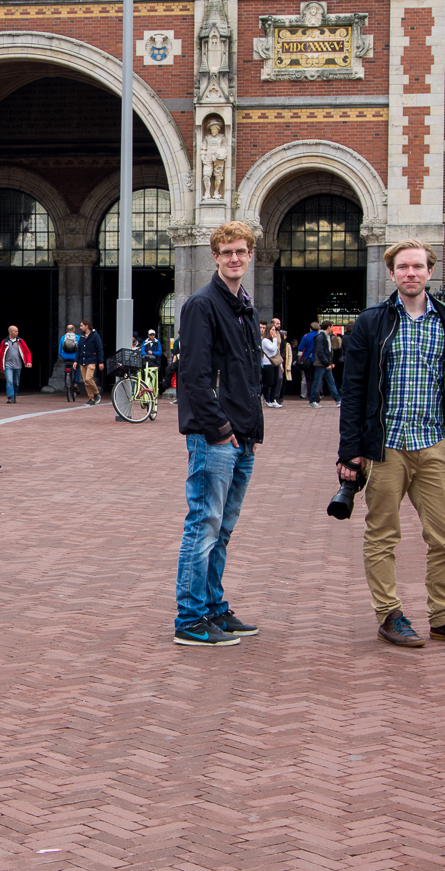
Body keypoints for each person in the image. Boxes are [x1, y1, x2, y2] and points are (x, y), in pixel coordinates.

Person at [338, 239, 445, 648]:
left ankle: (444, 616)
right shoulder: (371, 322)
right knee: (382, 534)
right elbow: (353, 389)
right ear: (391, 273)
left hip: (436, 444)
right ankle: (390, 615)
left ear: (429, 272)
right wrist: (349, 451)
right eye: (403, 267)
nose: (411, 273)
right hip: (385, 446)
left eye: (418, 266)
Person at [173, 220, 263, 647]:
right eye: (227, 252)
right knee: (203, 525)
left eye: (241, 251)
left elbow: (248, 376)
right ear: (215, 256)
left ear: (250, 255)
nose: (234, 258)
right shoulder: (202, 305)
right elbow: (193, 376)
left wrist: (251, 432)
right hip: (215, 437)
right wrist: (221, 429)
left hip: (242, 435)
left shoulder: (245, 305)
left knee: (221, 529)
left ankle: (213, 607)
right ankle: (190, 618)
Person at [0, 324, 32, 404]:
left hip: (18, 365)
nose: (17, 333)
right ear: (10, 332)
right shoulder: (4, 342)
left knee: (16, 382)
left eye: (17, 331)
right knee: (9, 381)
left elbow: (27, 352)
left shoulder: (20, 341)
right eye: (15, 331)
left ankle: (14, 395)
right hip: (8, 365)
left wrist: (29, 362)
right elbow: (0, 355)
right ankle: (10, 397)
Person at [310, 320, 340, 408]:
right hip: (322, 363)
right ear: (329, 327)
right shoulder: (321, 337)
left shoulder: (324, 336)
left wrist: (330, 363)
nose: (332, 328)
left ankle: (338, 400)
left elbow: (326, 352)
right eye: (332, 326)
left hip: (324, 363)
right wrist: (328, 363)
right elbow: (321, 352)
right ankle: (312, 400)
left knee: (329, 381)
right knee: (318, 382)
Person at [77, 318, 104, 406]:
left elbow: (99, 349)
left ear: (87, 326)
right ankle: (91, 398)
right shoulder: (82, 336)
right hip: (83, 360)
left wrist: (101, 361)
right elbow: (79, 349)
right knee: (85, 381)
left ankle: (96, 393)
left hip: (91, 360)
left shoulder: (95, 336)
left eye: (82, 325)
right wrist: (76, 361)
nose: (80, 327)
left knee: (88, 378)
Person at [260, 321, 282, 408]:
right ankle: (265, 396)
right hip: (268, 363)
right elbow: (273, 349)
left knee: (275, 382)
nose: (274, 332)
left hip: (274, 362)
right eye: (272, 330)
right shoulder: (265, 340)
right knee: (270, 381)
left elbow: (276, 350)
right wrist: (275, 339)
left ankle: (273, 399)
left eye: (275, 330)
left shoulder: (272, 340)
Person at [57, 323, 81, 396]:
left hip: (66, 357)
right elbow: (80, 348)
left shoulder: (63, 337)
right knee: (76, 368)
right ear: (74, 330)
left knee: (67, 367)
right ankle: (76, 383)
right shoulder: (78, 337)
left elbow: (60, 349)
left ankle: (66, 383)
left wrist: (62, 355)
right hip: (75, 357)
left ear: (66, 330)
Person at [297, 322, 317, 400]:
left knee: (308, 379)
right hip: (317, 359)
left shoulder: (306, 336)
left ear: (310, 328)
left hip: (307, 359)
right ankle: (316, 394)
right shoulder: (320, 336)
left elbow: (300, 348)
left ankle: (310, 395)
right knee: (317, 378)